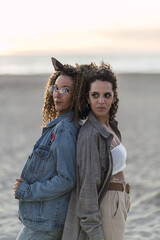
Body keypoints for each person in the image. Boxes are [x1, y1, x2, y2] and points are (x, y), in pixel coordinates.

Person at [13, 57, 86, 240]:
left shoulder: (64, 130)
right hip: (44, 220)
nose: (57, 94)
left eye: (65, 90)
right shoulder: (61, 126)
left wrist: (26, 190)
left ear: (76, 96)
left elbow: (66, 179)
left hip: (45, 223)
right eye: (55, 87)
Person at [62, 62, 131, 240]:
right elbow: (87, 187)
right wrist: (94, 232)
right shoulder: (90, 134)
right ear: (88, 98)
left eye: (106, 95)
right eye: (95, 95)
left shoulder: (110, 127)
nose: (101, 101)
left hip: (119, 203)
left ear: (114, 97)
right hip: (107, 206)